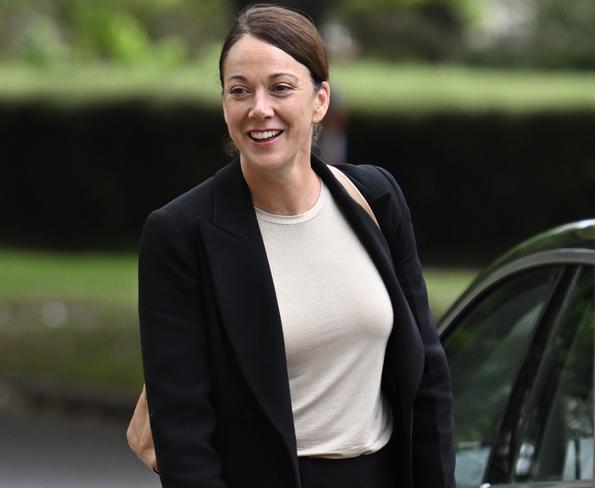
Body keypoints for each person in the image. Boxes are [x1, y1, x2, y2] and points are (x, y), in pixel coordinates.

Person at [138, 4, 455, 488]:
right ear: (224, 104)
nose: (259, 108)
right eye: (239, 90)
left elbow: (427, 375)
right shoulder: (181, 233)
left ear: (320, 99)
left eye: (281, 88)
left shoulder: (376, 198)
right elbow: (182, 430)